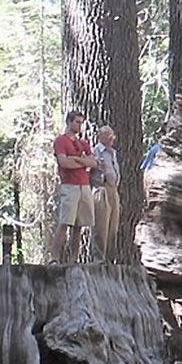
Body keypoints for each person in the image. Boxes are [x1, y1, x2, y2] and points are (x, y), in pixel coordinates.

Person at [49, 110, 97, 263]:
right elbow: (64, 163)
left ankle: (73, 260)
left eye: (81, 123)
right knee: (65, 222)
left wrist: (77, 160)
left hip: (85, 185)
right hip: (69, 186)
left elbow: (94, 163)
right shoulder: (61, 141)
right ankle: (55, 258)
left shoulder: (83, 143)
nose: (79, 126)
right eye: (77, 122)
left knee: (79, 225)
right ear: (69, 122)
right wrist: (82, 160)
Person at [91, 125, 120, 263]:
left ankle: (110, 259)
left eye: (112, 136)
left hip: (113, 190)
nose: (111, 139)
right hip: (101, 189)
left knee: (113, 227)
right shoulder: (96, 151)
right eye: (108, 136)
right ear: (101, 137)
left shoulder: (113, 153)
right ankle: (98, 259)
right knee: (101, 227)